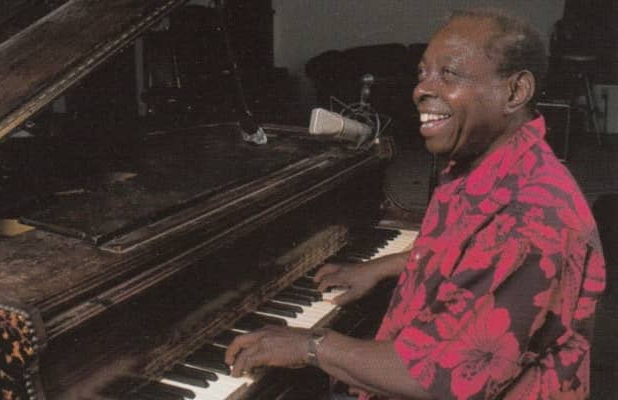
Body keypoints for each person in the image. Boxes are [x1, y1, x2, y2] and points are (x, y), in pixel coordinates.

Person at [225, 8, 606, 399]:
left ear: (514, 91)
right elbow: (470, 251)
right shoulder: (495, 164)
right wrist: (380, 266)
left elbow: (439, 380)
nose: (421, 89)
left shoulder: (531, 214)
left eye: (449, 74)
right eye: (423, 73)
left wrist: (311, 345)